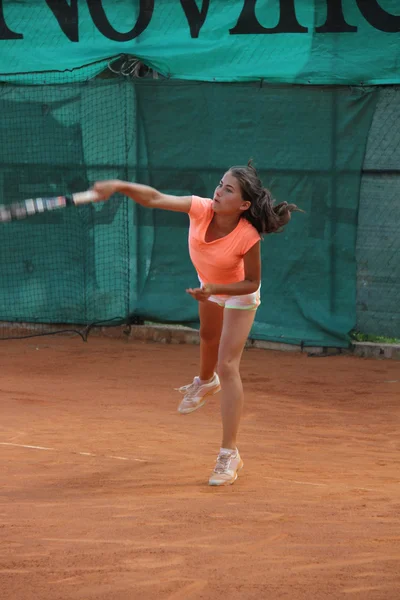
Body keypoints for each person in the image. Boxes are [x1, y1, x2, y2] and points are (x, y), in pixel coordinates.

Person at [92, 161, 301, 486]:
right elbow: (155, 198)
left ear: (244, 204)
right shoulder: (201, 209)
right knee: (206, 336)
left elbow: (251, 282)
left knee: (227, 364)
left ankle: (229, 454)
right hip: (210, 285)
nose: (218, 191)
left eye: (228, 189)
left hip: (237, 293)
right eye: (220, 184)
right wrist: (119, 186)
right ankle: (205, 382)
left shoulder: (248, 237)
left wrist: (217, 290)